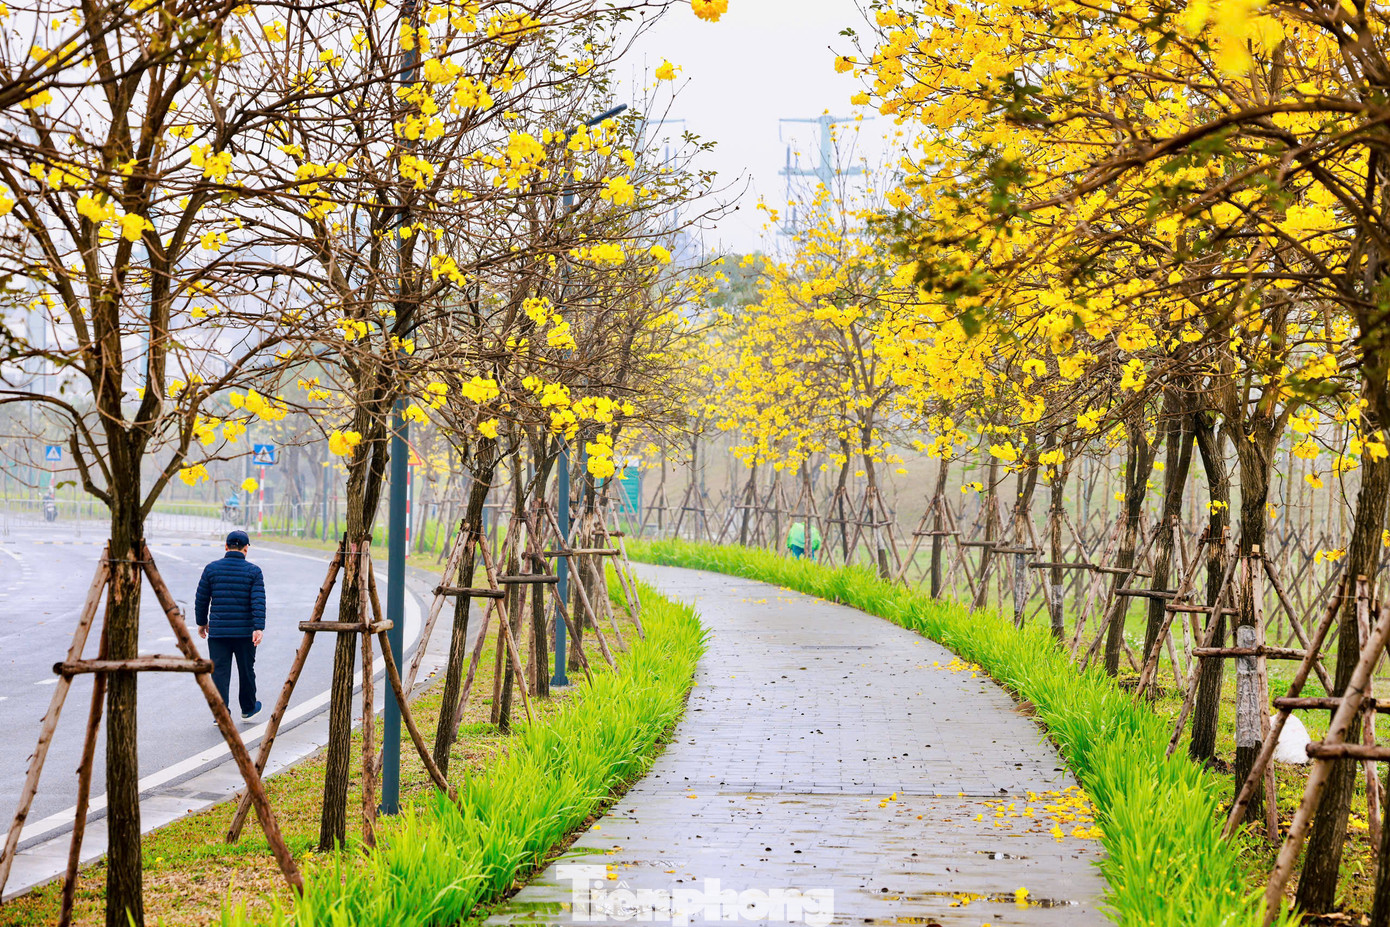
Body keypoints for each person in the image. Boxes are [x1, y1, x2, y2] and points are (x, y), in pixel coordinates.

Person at [196, 529, 265, 720]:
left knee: (219, 673)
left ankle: (221, 713)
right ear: (246, 549)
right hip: (245, 633)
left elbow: (201, 599)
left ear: (226, 547)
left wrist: (202, 623)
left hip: (218, 633)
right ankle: (249, 708)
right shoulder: (254, 571)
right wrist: (258, 627)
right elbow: (258, 601)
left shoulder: (211, 569)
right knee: (246, 670)